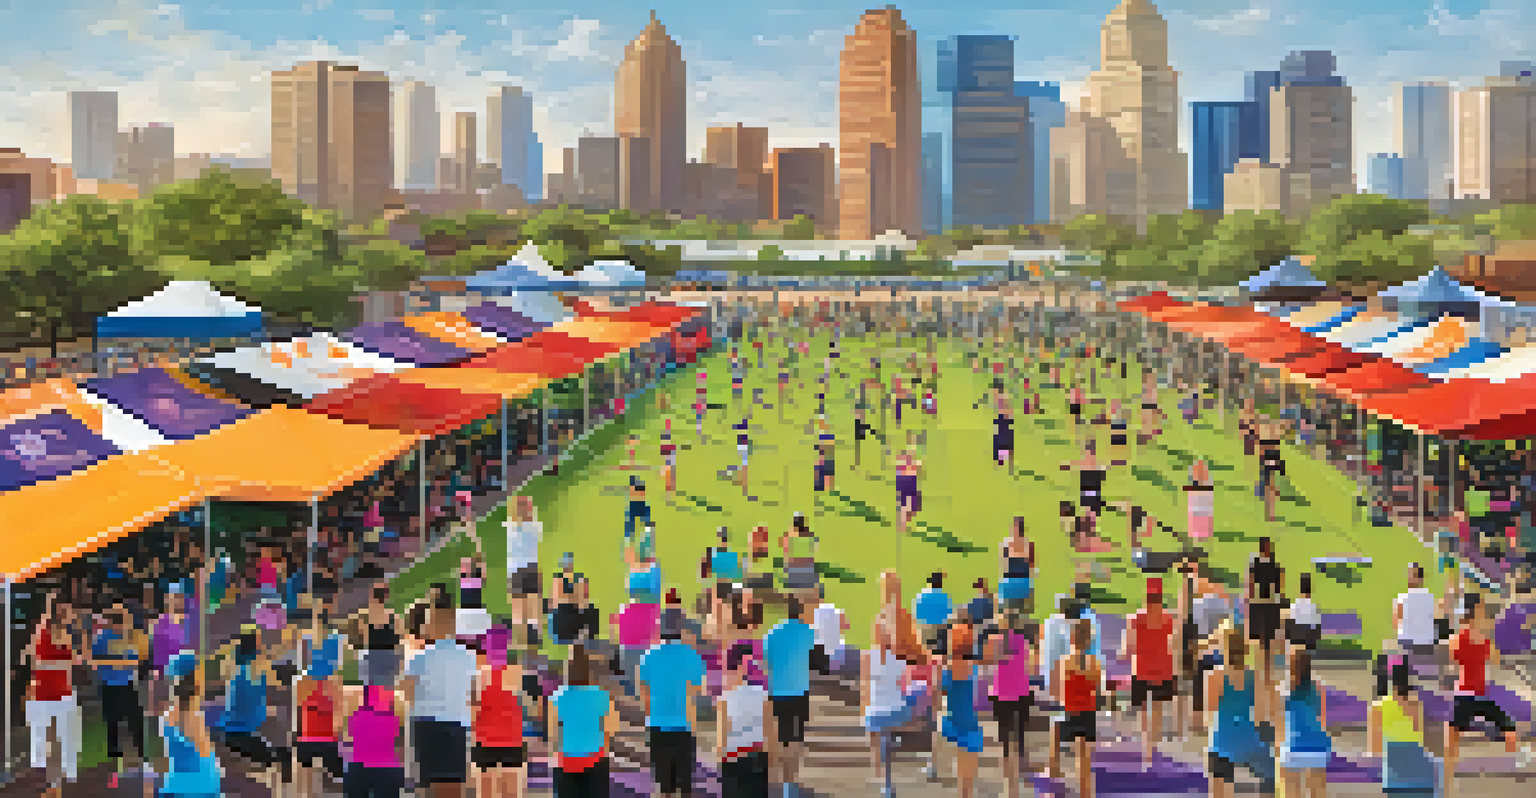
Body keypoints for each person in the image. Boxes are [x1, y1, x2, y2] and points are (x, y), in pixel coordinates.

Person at [1444, 592, 1531, 794]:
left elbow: (1454, 655)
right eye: (1481, 607)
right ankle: (1516, 762)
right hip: (1476, 696)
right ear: (1474, 611)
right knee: (1507, 726)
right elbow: (1496, 659)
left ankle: (1448, 776)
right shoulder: (1482, 639)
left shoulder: (1457, 638)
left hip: (1466, 696)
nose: (1484, 611)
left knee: (1453, 735)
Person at [402, 596, 478, 798]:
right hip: (457, 725)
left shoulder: (417, 659)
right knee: (453, 787)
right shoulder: (469, 658)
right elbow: (473, 695)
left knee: (427, 788)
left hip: (425, 726)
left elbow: (408, 695)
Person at [639, 605, 707, 798]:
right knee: (685, 788)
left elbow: (644, 694)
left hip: (658, 726)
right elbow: (697, 692)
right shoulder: (694, 657)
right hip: (684, 727)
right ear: (682, 629)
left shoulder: (648, 657)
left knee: (664, 788)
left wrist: (650, 719)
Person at [1204, 621, 1276, 798]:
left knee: (1220, 792)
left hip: (1222, 740)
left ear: (1225, 648)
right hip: (1247, 738)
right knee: (1268, 778)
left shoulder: (1215, 675)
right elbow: (1260, 714)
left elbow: (1210, 710)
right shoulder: (1254, 676)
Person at [219, 627, 287, 796]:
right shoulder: (258, 666)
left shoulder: (232, 667)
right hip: (246, 736)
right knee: (279, 759)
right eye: (260, 642)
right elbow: (279, 686)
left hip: (227, 735)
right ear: (255, 645)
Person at [25, 595, 81, 797]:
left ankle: (52, 785)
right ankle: (53, 785)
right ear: (60, 612)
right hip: (54, 692)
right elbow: (70, 661)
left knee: (49, 740)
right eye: (67, 611)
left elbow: (34, 663)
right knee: (54, 740)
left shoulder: (43, 630)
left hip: (49, 691)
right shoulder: (56, 632)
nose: (71, 615)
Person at [762, 595, 816, 798]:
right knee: (796, 738)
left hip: (777, 692)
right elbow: (814, 659)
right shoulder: (808, 632)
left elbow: (766, 664)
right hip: (800, 691)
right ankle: (790, 782)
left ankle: (781, 779)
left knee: (781, 737)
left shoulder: (772, 633)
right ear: (800, 611)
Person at [550, 645, 618, 798]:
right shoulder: (602, 696)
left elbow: (553, 735)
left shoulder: (557, 697)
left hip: (566, 763)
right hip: (596, 760)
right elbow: (612, 729)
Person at [295, 596, 346, 798]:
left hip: (311, 688)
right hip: (327, 688)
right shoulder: (335, 639)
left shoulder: (306, 640)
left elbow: (302, 666)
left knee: (308, 733)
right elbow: (337, 667)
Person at [91, 605, 146, 789]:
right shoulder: (102, 638)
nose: (125, 624)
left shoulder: (129, 637)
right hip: (109, 688)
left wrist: (115, 661)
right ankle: (113, 770)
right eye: (122, 620)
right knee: (112, 726)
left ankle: (143, 761)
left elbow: (134, 662)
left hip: (128, 686)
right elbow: (95, 662)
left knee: (137, 723)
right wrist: (118, 662)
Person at [1125, 577, 1177, 767]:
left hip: (1141, 670)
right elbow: (1174, 644)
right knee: (1156, 712)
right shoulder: (1169, 618)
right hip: (1163, 669)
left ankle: (1146, 752)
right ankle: (1152, 750)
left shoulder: (1135, 618)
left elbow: (1128, 647)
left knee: (1144, 714)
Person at [1367, 660, 1440, 795]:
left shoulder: (1377, 707)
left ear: (1390, 682)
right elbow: (1421, 734)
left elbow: (1375, 747)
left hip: (1394, 763)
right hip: (1418, 762)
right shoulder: (1416, 703)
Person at [473, 627, 528, 798]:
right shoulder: (517, 673)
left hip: (485, 739)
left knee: (486, 794)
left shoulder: (480, 676)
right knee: (511, 794)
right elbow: (525, 705)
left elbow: (473, 710)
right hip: (512, 740)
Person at [986, 606, 1035, 798]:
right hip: (1021, 692)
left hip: (1001, 693)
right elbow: (1031, 665)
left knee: (1004, 734)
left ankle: (1008, 779)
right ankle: (1020, 767)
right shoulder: (1024, 642)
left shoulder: (995, 641)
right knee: (1020, 733)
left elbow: (988, 661)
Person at [1056, 618, 1102, 798]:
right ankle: (1086, 794)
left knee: (1077, 756)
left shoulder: (1065, 661)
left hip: (1072, 710)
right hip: (1088, 711)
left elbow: (1063, 690)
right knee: (1086, 758)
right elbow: (1096, 687)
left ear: (1072, 638)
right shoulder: (1095, 663)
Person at [941, 611, 985, 798]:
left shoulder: (950, 665)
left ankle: (963, 793)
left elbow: (943, 689)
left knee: (961, 759)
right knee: (969, 760)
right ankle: (966, 792)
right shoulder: (974, 666)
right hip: (970, 718)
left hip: (954, 717)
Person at [719, 642, 771, 798]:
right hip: (757, 756)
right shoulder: (762, 696)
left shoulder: (724, 699)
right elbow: (770, 733)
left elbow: (722, 736)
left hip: (732, 757)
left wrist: (720, 758)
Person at [1277, 648, 1330, 798]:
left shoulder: (1284, 688)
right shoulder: (1319, 687)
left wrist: (1277, 746)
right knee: (1318, 793)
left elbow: (1279, 721)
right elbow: (1322, 719)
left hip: (1292, 745)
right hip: (1317, 745)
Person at [158, 674, 220, 798]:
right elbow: (205, 753)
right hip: (201, 786)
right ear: (193, 697)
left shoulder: (166, 717)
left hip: (174, 783)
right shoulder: (197, 721)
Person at [1248, 537, 1285, 726]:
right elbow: (1279, 588)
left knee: (1261, 643)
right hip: (1270, 605)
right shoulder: (1274, 566)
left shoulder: (1255, 564)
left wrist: (1250, 600)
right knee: (1267, 643)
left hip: (1260, 606)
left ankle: (1262, 675)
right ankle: (1266, 675)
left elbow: (1251, 584)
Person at [505, 496, 545, 647]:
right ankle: (536, 636)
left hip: (516, 569)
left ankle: (521, 639)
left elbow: (513, 517)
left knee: (519, 608)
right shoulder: (535, 526)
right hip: (530, 568)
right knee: (533, 605)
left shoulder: (510, 526)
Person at [1393, 563, 1439, 657]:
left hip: (1410, 642)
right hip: (1425, 642)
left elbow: (1396, 620)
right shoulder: (1430, 598)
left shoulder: (1402, 598)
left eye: (1412, 575)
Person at [809, 584, 851, 677]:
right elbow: (846, 624)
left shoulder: (808, 613)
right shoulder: (831, 608)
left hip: (820, 657)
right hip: (835, 655)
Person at [999, 517, 1035, 615]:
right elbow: (1032, 566)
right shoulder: (1029, 544)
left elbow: (1004, 566)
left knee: (1009, 613)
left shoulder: (1006, 543)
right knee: (1022, 614)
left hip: (1012, 583)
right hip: (1022, 583)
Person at [1285, 573, 1323, 653]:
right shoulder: (1314, 609)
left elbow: (1287, 627)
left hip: (1295, 642)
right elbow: (1317, 632)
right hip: (1308, 645)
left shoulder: (1294, 606)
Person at [781, 513, 818, 595]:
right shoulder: (810, 536)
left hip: (794, 568)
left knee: (795, 594)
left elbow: (786, 553)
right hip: (808, 567)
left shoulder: (789, 537)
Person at [895, 447, 923, 540]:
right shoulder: (903, 466)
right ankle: (902, 523)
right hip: (906, 481)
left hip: (908, 481)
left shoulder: (905, 465)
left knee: (910, 505)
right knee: (906, 504)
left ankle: (903, 522)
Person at [624, 478, 653, 544]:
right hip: (636, 507)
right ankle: (629, 538)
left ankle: (647, 535)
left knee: (645, 522)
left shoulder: (641, 505)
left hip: (639, 507)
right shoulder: (633, 504)